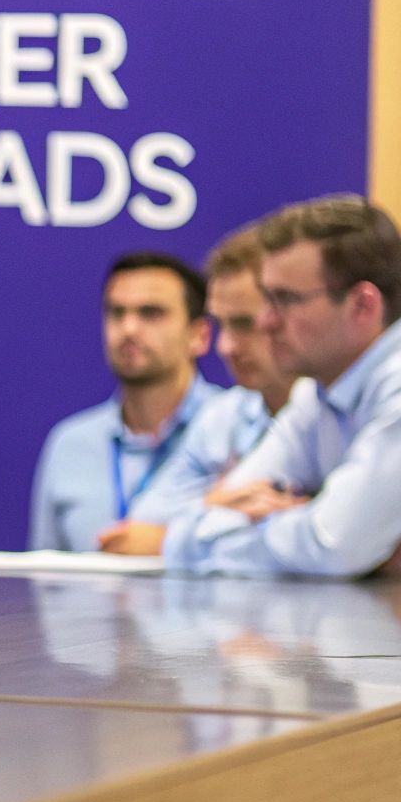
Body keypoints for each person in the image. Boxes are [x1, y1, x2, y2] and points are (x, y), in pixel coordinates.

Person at [162, 196, 401, 589]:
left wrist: (345, 545)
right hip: (399, 635)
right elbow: (195, 530)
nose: (265, 321)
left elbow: (331, 547)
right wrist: (360, 546)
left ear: (362, 305)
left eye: (286, 300)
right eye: (268, 298)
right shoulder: (317, 393)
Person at [98, 226, 303, 556]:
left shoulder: (337, 410)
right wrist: (217, 504)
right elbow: (127, 539)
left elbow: (334, 543)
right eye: (222, 325)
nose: (225, 347)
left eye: (245, 324)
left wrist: (192, 529)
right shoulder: (222, 418)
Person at [29, 252, 218, 552]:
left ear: (200, 335)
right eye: (117, 313)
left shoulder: (235, 427)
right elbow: (45, 583)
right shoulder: (70, 442)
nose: (128, 329)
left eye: (151, 313)